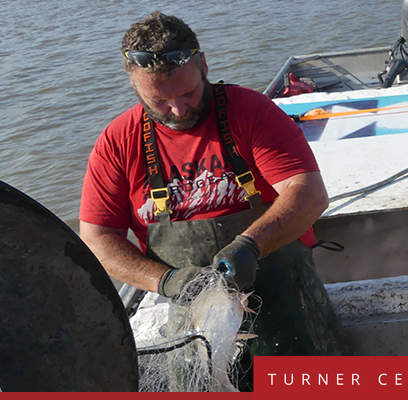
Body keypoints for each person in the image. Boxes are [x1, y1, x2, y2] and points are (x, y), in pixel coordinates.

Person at [79, 12, 350, 361]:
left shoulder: (251, 112)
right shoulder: (118, 142)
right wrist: (167, 281)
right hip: (193, 317)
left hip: (287, 302)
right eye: (159, 101)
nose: (178, 109)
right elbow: (98, 241)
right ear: (134, 85)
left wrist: (251, 246)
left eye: (189, 92)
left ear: (203, 64)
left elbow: (310, 194)